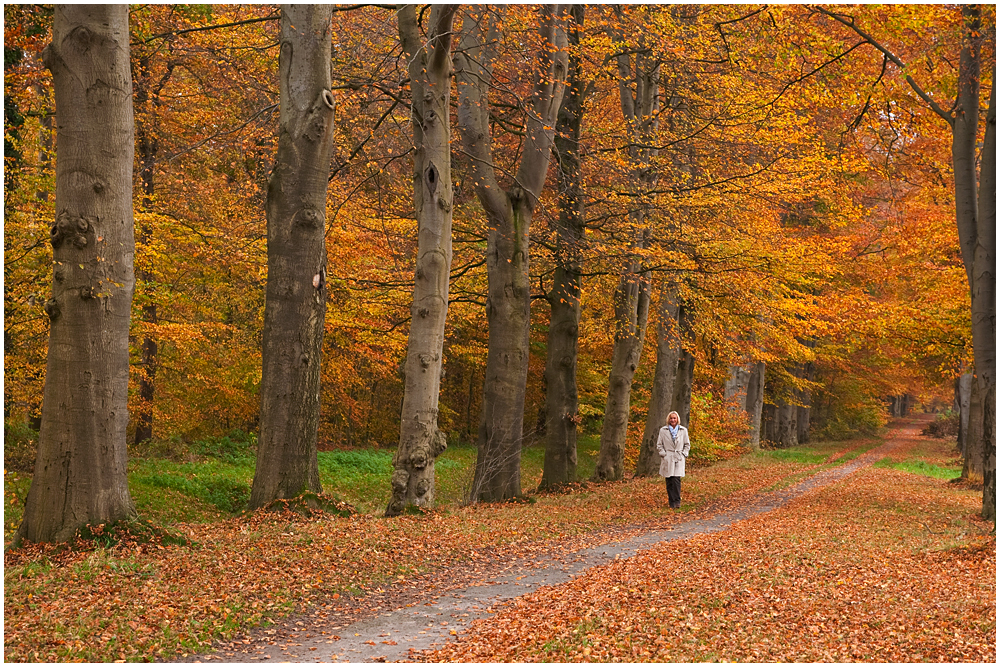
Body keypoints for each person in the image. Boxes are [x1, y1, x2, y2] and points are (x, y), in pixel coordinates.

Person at [656, 411, 690, 509]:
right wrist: (664, 454)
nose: (673, 420)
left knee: (676, 480)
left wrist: (684, 454)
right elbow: (659, 445)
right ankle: (671, 501)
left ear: (677, 419)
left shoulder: (683, 430)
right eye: (671, 418)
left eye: (674, 418)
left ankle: (677, 501)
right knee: (669, 480)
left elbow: (687, 444)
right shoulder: (663, 430)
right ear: (668, 419)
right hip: (668, 457)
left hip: (679, 457)